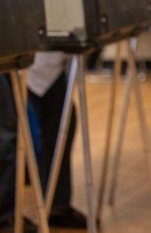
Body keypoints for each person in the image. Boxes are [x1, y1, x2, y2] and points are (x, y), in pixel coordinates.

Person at [0, 53, 88, 232]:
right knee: (7, 134)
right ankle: (5, 215)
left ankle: (56, 204)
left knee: (63, 118)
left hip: (37, 50)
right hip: (18, 48)